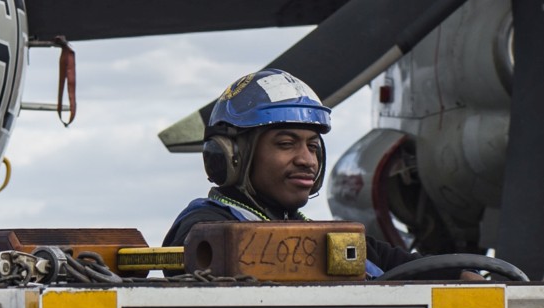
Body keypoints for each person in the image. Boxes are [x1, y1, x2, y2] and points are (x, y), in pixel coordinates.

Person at [163, 67, 416, 276]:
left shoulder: (333, 240)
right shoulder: (199, 228)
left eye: (313, 147)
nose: (307, 160)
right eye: (286, 144)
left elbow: (411, 266)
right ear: (231, 156)